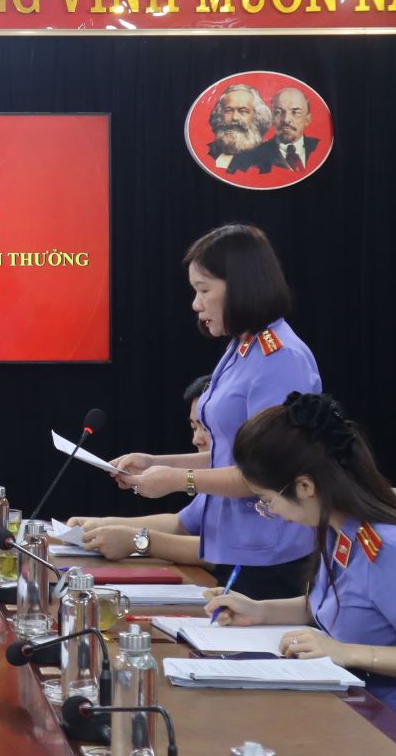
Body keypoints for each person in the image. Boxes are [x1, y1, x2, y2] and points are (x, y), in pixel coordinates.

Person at [205, 393, 396, 733]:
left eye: (267, 500)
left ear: (305, 486)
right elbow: (334, 606)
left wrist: (346, 652)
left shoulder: (391, 552)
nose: (268, 511)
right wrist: (261, 611)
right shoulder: (339, 531)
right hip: (356, 716)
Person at [108, 224, 319, 598]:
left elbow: (265, 472)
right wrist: (156, 462)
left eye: (204, 290)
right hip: (234, 545)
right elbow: (229, 454)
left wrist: (178, 480)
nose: (196, 304)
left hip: (269, 553)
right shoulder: (242, 348)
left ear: (240, 286)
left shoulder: (281, 357)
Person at [65, 375, 212, 564]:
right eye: (194, 427)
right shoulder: (214, 475)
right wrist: (100, 526)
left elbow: (225, 553)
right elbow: (183, 524)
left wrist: (138, 541)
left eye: (206, 428)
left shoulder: (243, 480)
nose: (196, 439)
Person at [241, 87, 321, 173]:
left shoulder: (321, 148)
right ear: (272, 118)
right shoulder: (251, 157)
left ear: (308, 119)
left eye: (295, 112)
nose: (286, 119)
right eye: (278, 112)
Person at [205, 85, 275, 175]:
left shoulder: (269, 157)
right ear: (220, 114)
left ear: (257, 116)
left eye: (243, 111)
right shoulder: (209, 152)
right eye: (229, 110)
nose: (235, 117)